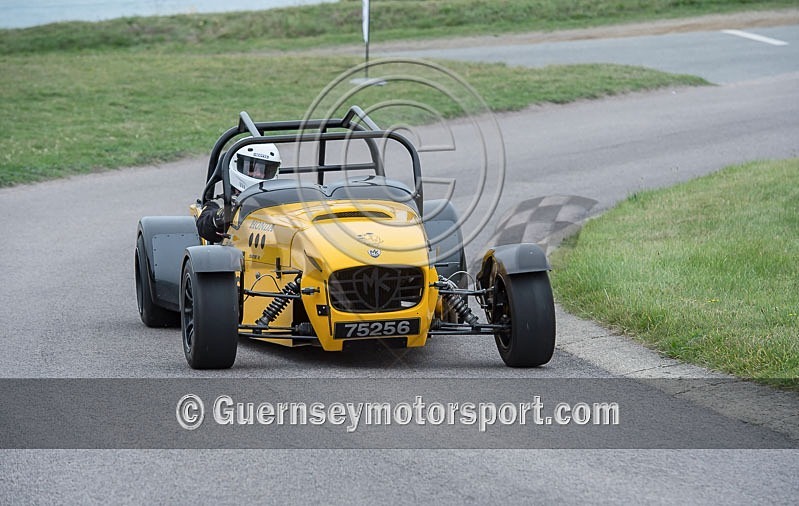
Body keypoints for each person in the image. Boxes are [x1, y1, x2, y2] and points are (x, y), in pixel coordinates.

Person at [196, 141, 281, 243]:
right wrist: (222, 216)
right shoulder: (220, 203)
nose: (259, 174)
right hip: (233, 254)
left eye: (265, 170)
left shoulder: (276, 203)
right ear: (237, 165)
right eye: (252, 168)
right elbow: (203, 226)